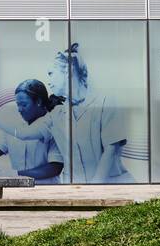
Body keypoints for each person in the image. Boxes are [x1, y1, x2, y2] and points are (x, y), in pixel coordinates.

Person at [44, 43, 134, 184]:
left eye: (51, 74)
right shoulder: (57, 114)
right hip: (75, 190)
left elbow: (110, 150)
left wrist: (94, 189)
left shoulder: (104, 102)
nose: (48, 81)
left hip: (112, 187)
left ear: (67, 71)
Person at [0, 79, 65, 182]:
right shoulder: (14, 126)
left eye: (24, 105)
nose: (20, 109)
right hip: (19, 191)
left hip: (46, 191)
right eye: (18, 105)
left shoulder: (52, 125)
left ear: (38, 101)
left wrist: (17, 175)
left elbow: (54, 168)